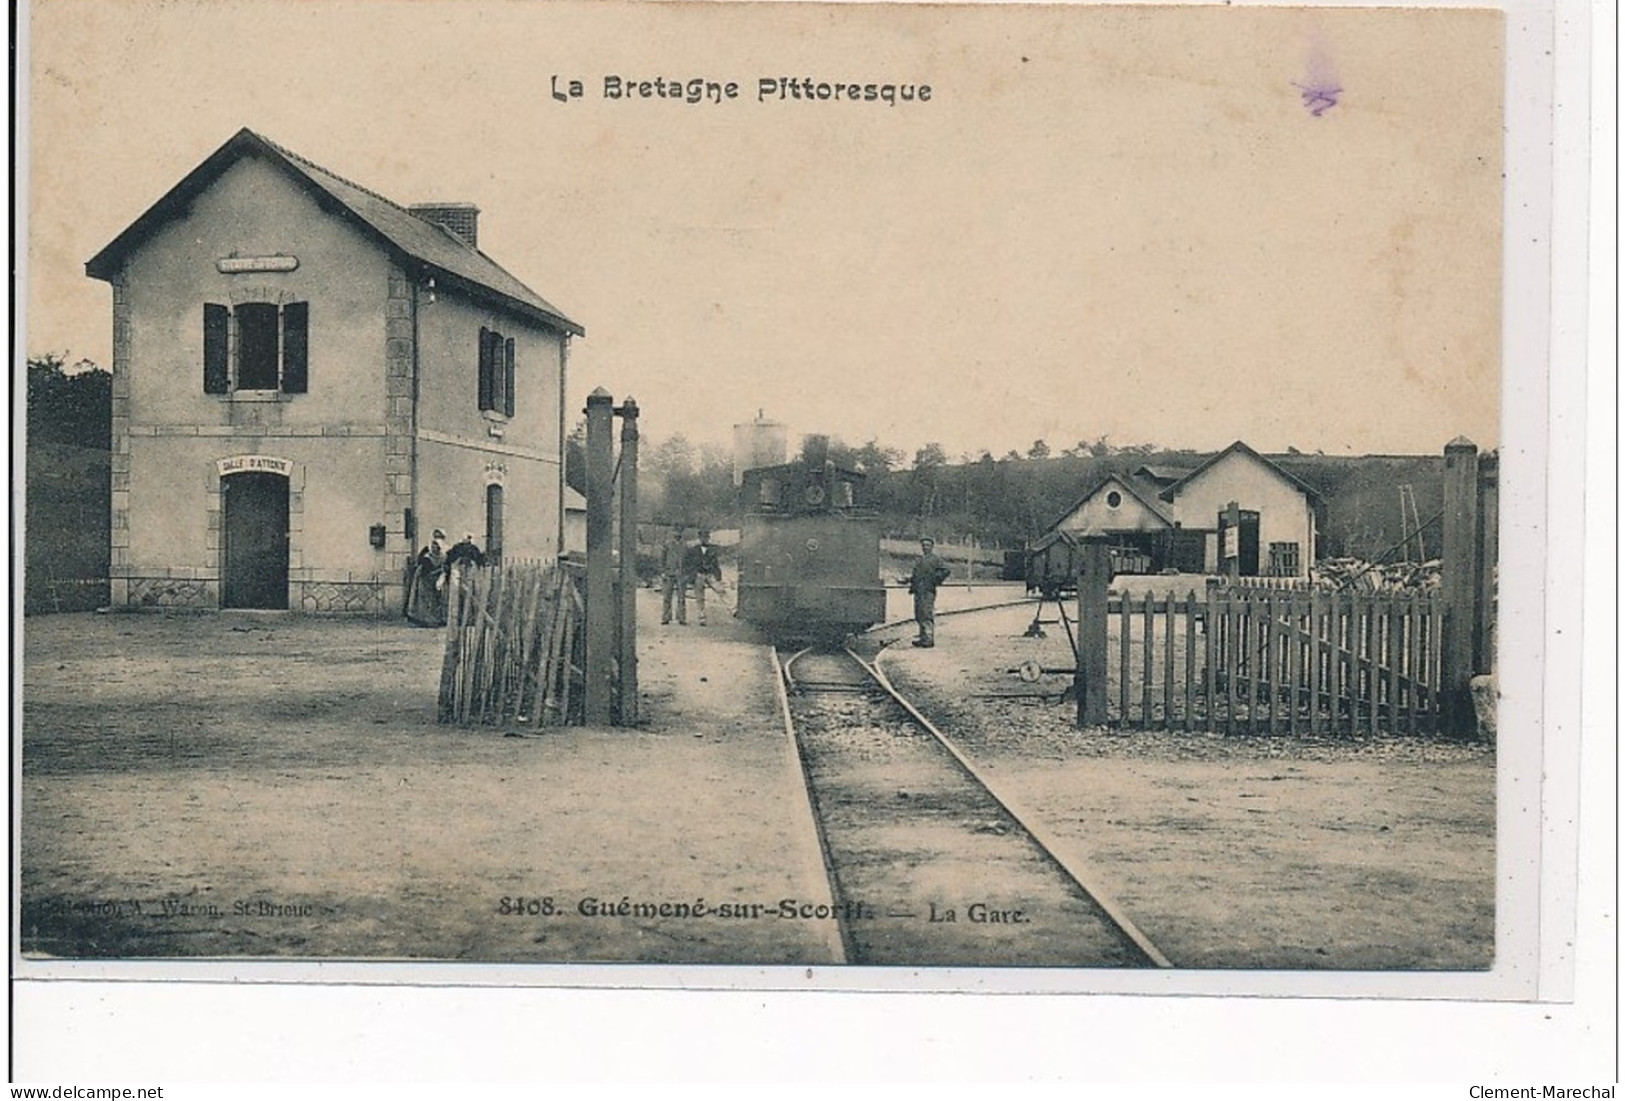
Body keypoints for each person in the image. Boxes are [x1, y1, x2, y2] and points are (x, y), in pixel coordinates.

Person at [907, 536, 952, 648]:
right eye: (923, 545)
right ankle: (923, 638)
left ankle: (928, 639)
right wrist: (907, 580)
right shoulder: (920, 560)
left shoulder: (935, 559)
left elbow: (946, 570)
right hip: (918, 591)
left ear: (932, 547)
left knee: (926, 614)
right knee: (919, 614)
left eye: (927, 545)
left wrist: (935, 579)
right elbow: (917, 576)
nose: (925, 547)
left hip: (928, 590)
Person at [403, 529, 448, 627]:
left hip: (437, 581)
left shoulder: (444, 555)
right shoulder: (426, 555)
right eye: (433, 544)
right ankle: (424, 620)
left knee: (437, 601)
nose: (434, 547)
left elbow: (445, 566)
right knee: (425, 601)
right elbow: (424, 570)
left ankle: (437, 619)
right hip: (425, 581)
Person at [685, 529, 723, 626]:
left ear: (708, 538)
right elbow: (688, 564)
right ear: (699, 538)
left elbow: (716, 564)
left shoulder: (712, 550)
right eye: (702, 537)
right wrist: (691, 575)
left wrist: (718, 577)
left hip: (710, 574)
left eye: (706, 537)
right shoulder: (693, 550)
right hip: (699, 574)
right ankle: (702, 618)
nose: (704, 539)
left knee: (721, 590)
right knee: (700, 597)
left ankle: (733, 609)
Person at [660, 526, 688, 625]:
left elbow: (688, 560)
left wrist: (686, 573)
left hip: (681, 573)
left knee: (681, 597)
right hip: (669, 572)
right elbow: (662, 558)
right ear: (672, 532)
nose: (677, 534)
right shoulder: (667, 544)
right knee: (667, 596)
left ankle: (681, 617)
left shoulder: (685, 545)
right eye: (675, 532)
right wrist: (663, 571)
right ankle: (666, 617)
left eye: (679, 531)